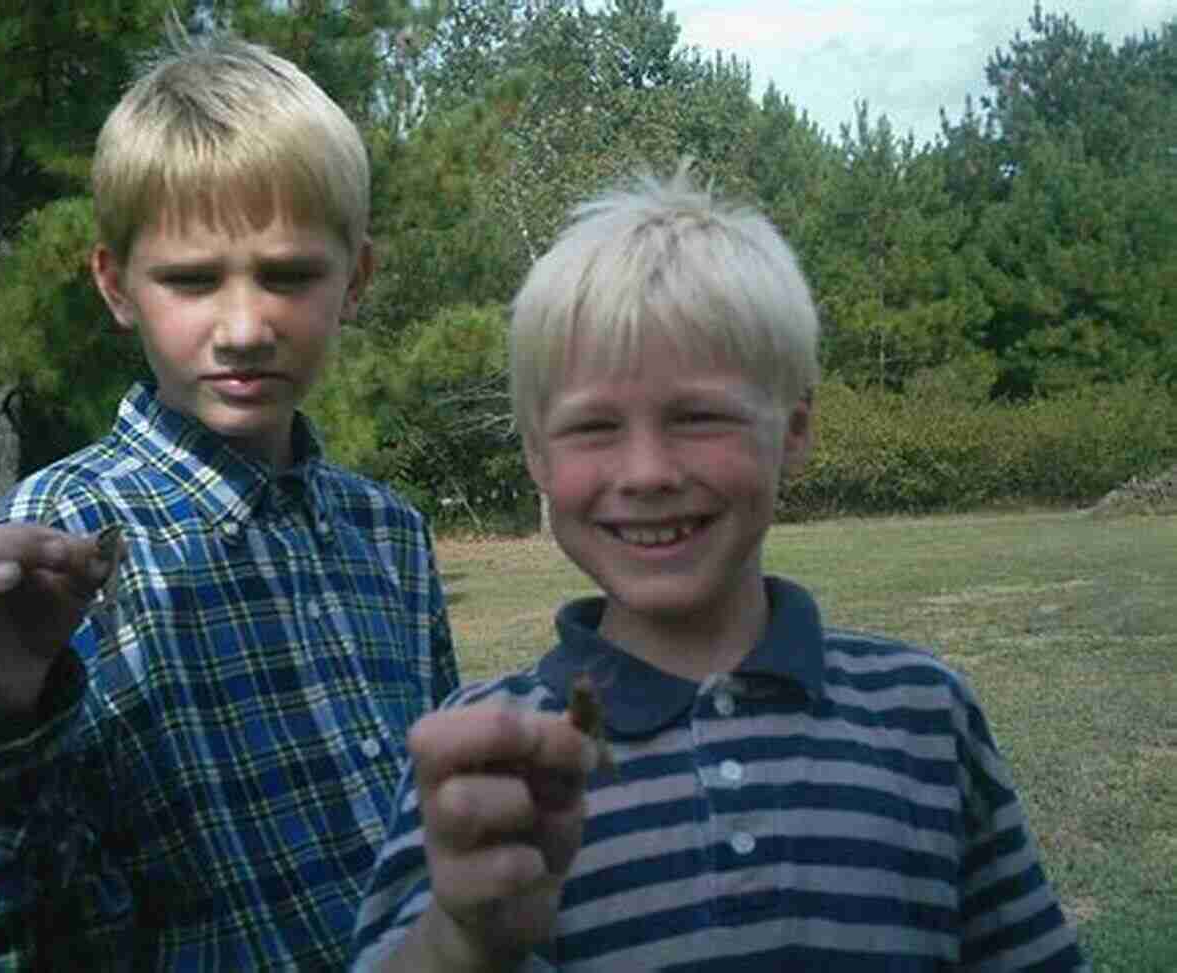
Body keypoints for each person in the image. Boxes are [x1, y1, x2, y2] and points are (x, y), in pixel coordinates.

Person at [351, 164, 1088, 971]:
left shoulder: (923, 713)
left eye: (699, 417)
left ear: (796, 430)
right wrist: (460, 940)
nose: (648, 471)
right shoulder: (500, 756)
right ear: (535, 455)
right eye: (593, 427)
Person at [0, 25, 458, 971]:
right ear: (117, 285)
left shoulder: (390, 535)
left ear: (354, 278)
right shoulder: (56, 544)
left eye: (289, 274)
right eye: (191, 280)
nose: (242, 326)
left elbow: (436, 828)